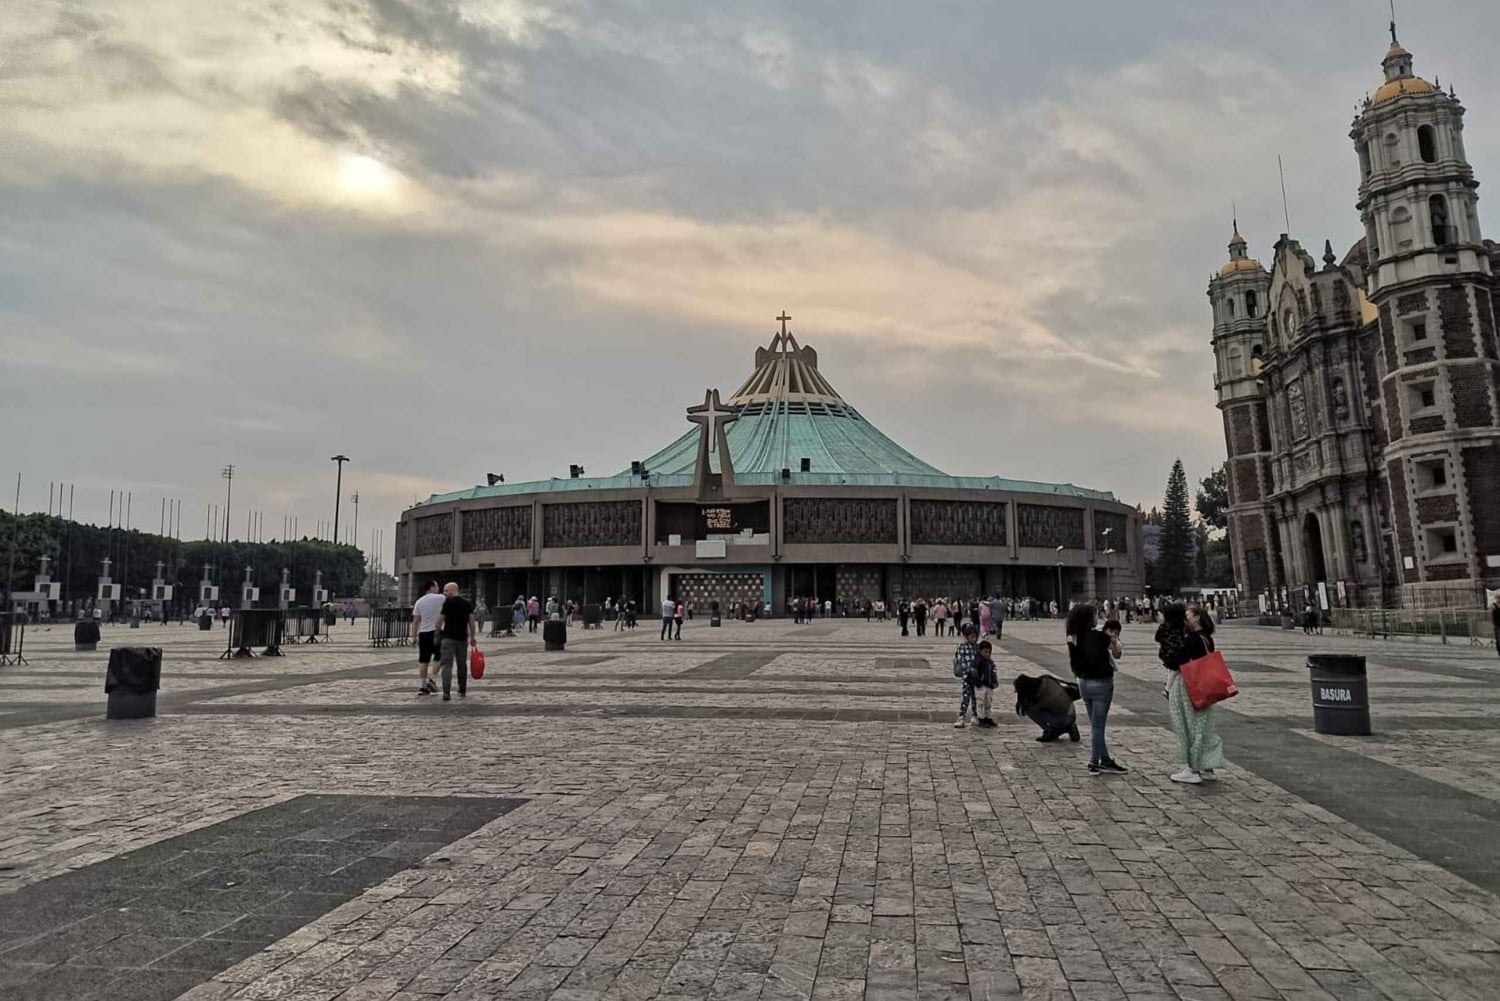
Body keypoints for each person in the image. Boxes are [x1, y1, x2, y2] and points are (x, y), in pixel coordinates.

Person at [1158, 603, 1225, 784]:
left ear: (1197, 617)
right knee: (1202, 725)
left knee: (1189, 725)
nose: (1185, 617)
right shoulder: (1206, 638)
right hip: (1203, 685)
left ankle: (1192, 768)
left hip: (1190, 684)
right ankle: (1206, 766)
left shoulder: (1193, 639)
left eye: (1188, 614)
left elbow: (1176, 662)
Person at [1067, 605, 1126, 775]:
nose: (1096, 618)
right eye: (1094, 615)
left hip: (1083, 683)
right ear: (1088, 618)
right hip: (1101, 683)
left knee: (1095, 725)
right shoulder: (1101, 637)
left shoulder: (1073, 636)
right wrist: (1113, 640)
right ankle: (1094, 762)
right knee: (1098, 726)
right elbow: (1117, 654)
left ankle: (1105, 759)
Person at [435, 582, 476, 702]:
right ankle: (462, 688)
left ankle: (446, 692)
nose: (444, 593)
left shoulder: (447, 603)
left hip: (448, 638)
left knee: (447, 665)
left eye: (446, 591)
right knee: (461, 664)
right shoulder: (466, 603)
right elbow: (472, 622)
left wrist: (436, 634)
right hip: (462, 638)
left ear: (452, 591)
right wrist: (472, 636)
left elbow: (440, 620)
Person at [1013, 674, 1080, 743]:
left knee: (1029, 710)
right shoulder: (1047, 679)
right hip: (1071, 713)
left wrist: (1024, 702)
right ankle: (1067, 727)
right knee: (1052, 710)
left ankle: (1049, 731)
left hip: (1062, 719)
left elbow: (1028, 708)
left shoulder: (1041, 698)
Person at [410, 580, 445, 695]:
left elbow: (415, 621)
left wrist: (414, 637)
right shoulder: (441, 598)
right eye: (437, 586)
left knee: (423, 660)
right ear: (432, 587)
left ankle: (422, 686)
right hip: (438, 631)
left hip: (424, 632)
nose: (438, 588)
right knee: (440, 656)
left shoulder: (419, 602)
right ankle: (433, 678)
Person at [952, 623, 981, 728]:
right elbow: (961, 661)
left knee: (976, 697)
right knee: (966, 697)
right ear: (966, 637)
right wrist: (970, 669)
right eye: (972, 637)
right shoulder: (962, 647)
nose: (974, 639)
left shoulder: (978, 648)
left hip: (977, 677)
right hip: (967, 677)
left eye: (975, 637)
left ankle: (975, 715)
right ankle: (962, 716)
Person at [972, 639, 999, 728]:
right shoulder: (978, 660)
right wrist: (977, 681)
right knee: (980, 702)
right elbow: (973, 670)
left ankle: (988, 717)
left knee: (988, 702)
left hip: (989, 685)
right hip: (981, 685)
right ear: (980, 651)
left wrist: (994, 682)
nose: (987, 654)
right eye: (985, 652)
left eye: (989, 652)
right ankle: (981, 718)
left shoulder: (990, 662)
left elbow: (993, 672)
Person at [1491, 591, 1500, 660]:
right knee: (1499, 641)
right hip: (1497, 625)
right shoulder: (1494, 605)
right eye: (1498, 598)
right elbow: (1492, 614)